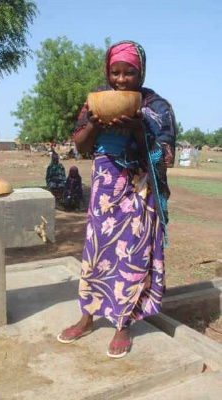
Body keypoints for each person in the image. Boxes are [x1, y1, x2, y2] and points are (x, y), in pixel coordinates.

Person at [57, 41, 176, 358]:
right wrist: (94, 123)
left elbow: (165, 158)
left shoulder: (156, 107)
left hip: (137, 191)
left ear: (141, 72)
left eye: (129, 73)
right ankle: (87, 317)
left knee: (131, 259)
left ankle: (123, 324)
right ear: (107, 72)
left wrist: (139, 130)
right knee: (95, 254)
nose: (121, 80)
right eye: (115, 72)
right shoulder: (96, 100)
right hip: (103, 191)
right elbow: (80, 147)